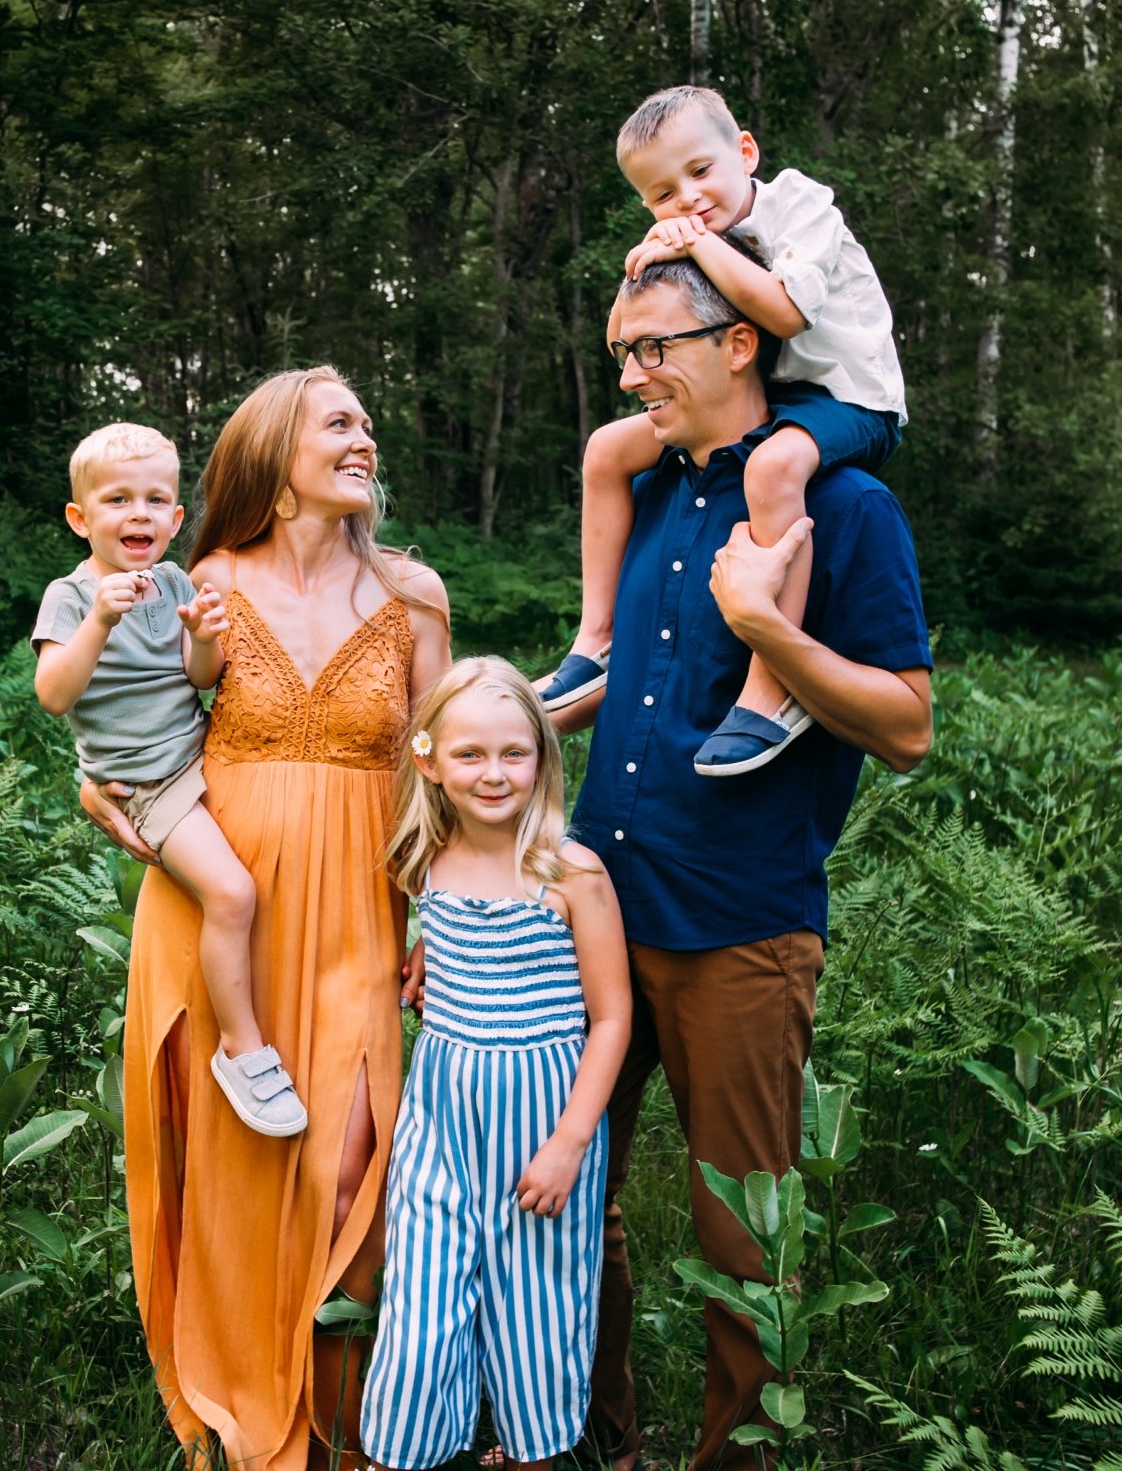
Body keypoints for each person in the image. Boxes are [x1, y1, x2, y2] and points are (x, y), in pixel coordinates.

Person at [560, 256, 933, 1471]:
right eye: (621, 352)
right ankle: (591, 1440)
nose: (631, 373)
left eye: (654, 346)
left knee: (742, 1238)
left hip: (740, 928)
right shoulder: (646, 493)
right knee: (559, 1212)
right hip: (592, 920)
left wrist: (771, 626)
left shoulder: (845, 507)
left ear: (739, 345)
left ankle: (741, 1462)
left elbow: (908, 725)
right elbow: (620, 678)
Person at [75, 368, 451, 1471]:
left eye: (368, 421)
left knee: (348, 1156)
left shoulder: (412, 593)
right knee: (237, 1157)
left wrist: (439, 909)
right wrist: (94, 782)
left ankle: (339, 1416)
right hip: (217, 899)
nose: (365, 436)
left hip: (358, 905)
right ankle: (242, 1418)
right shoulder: (207, 580)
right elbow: (122, 706)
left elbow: (433, 766)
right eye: (340, 421)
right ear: (277, 455)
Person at [536, 84, 910, 779]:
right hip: (777, 394)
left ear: (745, 152)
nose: (686, 198)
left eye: (700, 172)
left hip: (850, 396)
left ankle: (769, 689)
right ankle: (596, 642)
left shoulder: (803, 208)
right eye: (661, 193)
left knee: (771, 469)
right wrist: (643, 268)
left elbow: (786, 313)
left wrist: (698, 243)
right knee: (607, 448)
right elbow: (623, 335)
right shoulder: (694, 236)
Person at [362, 659, 630, 1471]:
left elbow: (613, 1015)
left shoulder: (570, 872)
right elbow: (426, 946)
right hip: (440, 1125)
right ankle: (403, 1450)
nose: (493, 773)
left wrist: (571, 1142)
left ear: (544, 758)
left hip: (543, 1129)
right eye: (471, 754)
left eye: (515, 753)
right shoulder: (422, 860)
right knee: (419, 1307)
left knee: (537, 1312)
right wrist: (418, 953)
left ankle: (529, 1452)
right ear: (430, 759)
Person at [31, 422, 307, 1137]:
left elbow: (198, 676)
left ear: (177, 518)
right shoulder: (69, 595)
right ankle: (242, 1050)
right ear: (79, 518)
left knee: (265, 880)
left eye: (156, 500)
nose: (139, 514)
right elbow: (55, 694)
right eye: (117, 499)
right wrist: (97, 620)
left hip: (200, 756)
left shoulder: (177, 580)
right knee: (232, 890)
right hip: (148, 783)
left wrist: (208, 635)